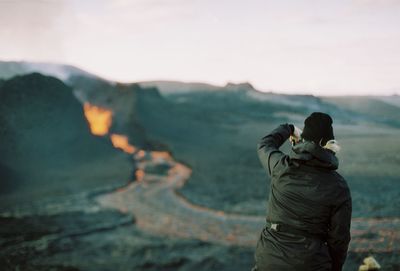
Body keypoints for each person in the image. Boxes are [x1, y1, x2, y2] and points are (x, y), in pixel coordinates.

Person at [252, 112, 352, 271]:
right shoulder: (339, 186)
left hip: (269, 260)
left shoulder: (281, 167)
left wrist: (289, 128)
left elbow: (265, 144)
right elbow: (339, 239)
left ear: (302, 139)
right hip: (311, 263)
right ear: (330, 144)